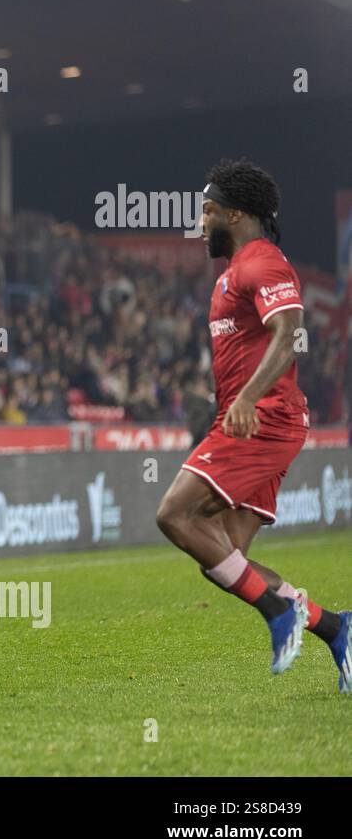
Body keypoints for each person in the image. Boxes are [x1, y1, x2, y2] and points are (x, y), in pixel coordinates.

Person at [155, 159, 349, 691]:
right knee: (222, 556)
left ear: (235, 213)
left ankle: (278, 614)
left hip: (264, 419)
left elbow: (289, 333)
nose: (200, 223)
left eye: (208, 210)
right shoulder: (229, 276)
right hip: (247, 418)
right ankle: (335, 629)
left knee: (174, 514)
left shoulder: (262, 262)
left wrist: (245, 398)